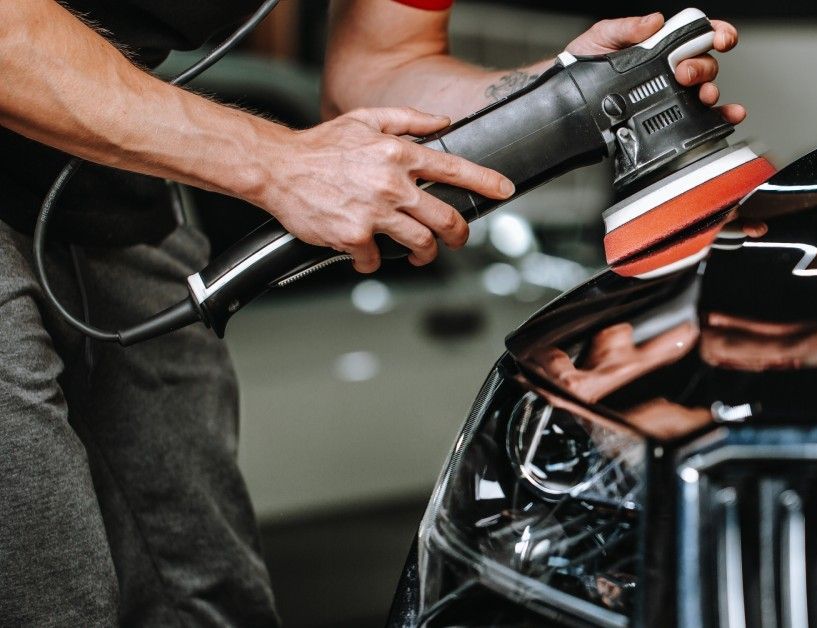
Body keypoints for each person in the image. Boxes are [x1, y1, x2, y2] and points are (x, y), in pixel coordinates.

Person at [0, 0, 743, 624]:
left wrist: (561, 96)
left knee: (205, 588)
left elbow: (377, 69)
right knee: (51, 591)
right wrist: (278, 162)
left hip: (109, 187)